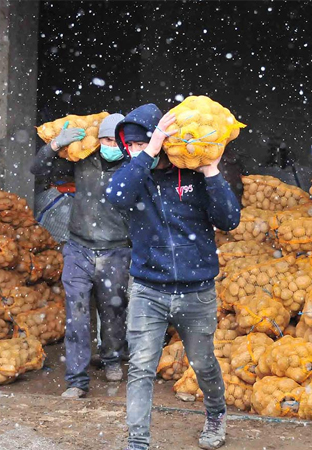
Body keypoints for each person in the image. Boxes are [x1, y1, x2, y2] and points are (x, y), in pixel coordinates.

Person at [106, 104, 241, 450]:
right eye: (130, 146)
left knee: (203, 363)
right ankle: (137, 440)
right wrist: (145, 155)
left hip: (196, 291)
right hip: (148, 289)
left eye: (142, 143)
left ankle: (215, 414)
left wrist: (212, 172)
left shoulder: (194, 176)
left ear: (166, 141)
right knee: (140, 366)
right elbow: (116, 196)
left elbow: (229, 220)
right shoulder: (135, 176)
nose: (134, 151)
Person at [30, 113, 131, 399]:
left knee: (113, 309)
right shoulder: (84, 160)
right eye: (105, 139)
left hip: (117, 249)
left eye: (115, 140)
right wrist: (53, 146)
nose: (109, 144)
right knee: (77, 314)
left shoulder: (132, 168)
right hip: (78, 248)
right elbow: (37, 169)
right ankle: (76, 379)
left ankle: (112, 357)